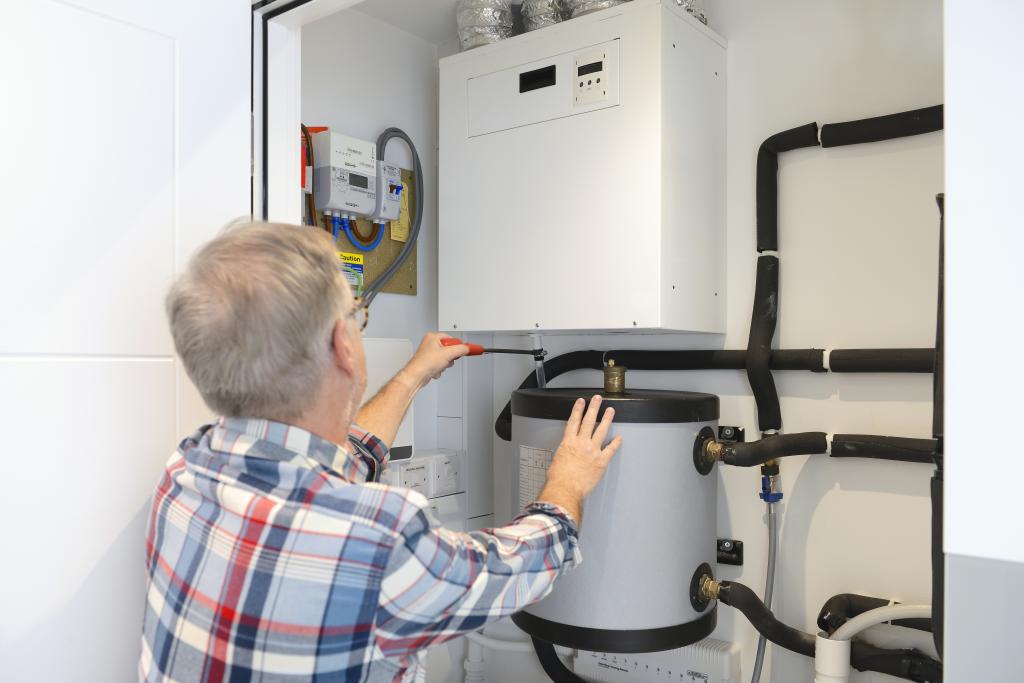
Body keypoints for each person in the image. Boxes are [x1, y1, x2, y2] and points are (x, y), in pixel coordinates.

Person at [140, 221, 622, 682]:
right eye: (356, 315)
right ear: (341, 345)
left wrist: (413, 375)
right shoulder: (379, 541)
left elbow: (336, 461)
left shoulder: (185, 473)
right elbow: (517, 568)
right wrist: (569, 479)